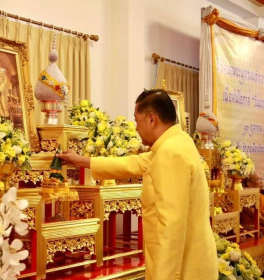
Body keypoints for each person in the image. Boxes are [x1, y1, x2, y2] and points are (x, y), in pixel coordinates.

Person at [58, 89, 218, 280]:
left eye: (137, 120)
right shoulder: (178, 142)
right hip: (193, 263)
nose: (135, 128)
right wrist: (83, 161)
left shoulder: (170, 153)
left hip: (182, 268)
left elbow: (171, 227)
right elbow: (132, 163)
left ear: (152, 119)